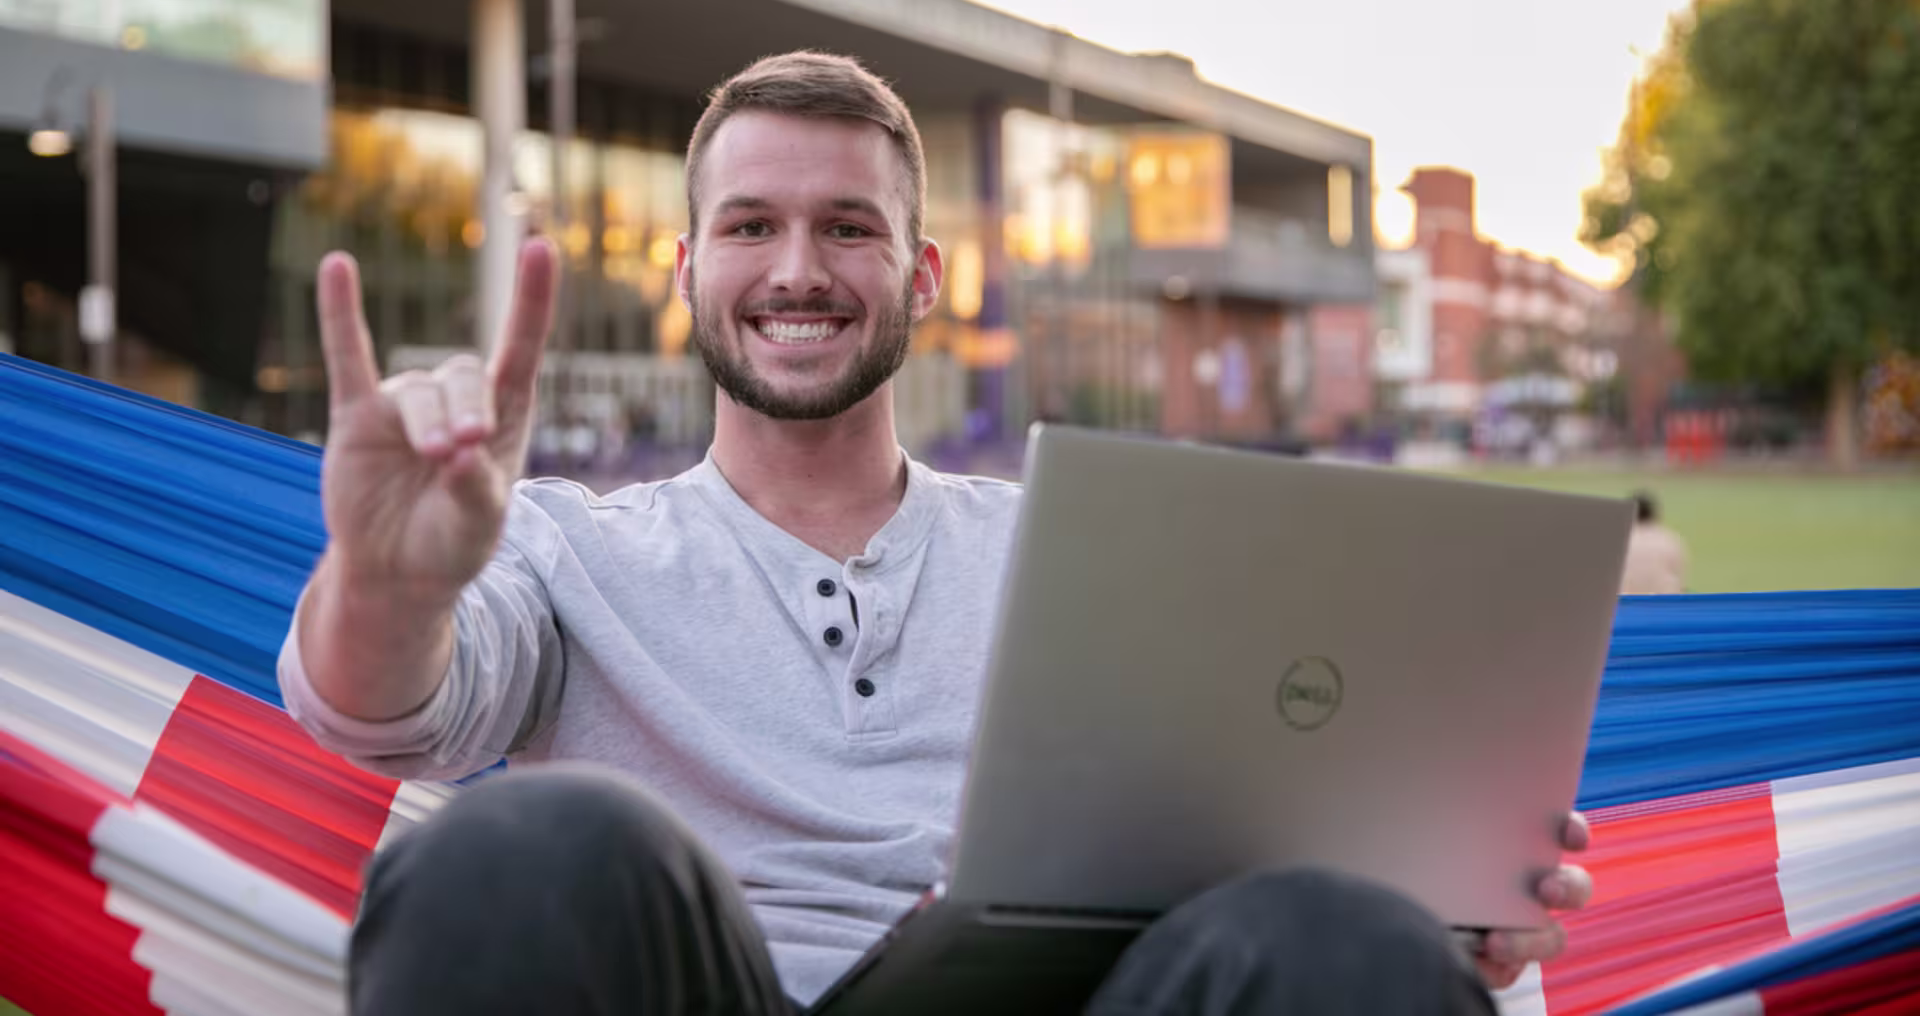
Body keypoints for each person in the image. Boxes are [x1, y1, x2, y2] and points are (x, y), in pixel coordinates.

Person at [281, 51, 1592, 1015]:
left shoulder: (1100, 556)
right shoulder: (567, 549)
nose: (798, 268)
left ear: (921, 279)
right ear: (687, 272)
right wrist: (390, 586)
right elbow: (377, 714)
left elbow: (1259, 850)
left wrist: (1437, 900)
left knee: (1348, 940)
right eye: (752, 227)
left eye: (848, 228)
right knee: (519, 845)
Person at [1620, 490, 1689, 595]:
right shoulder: (1670, 539)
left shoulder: (1619, 539)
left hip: (1625, 606)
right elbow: (1680, 583)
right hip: (1663, 605)